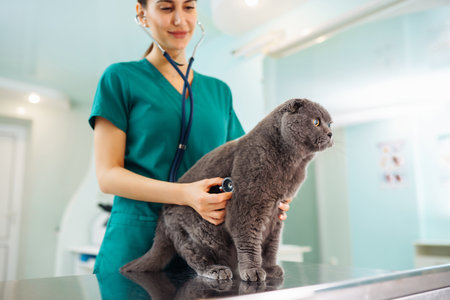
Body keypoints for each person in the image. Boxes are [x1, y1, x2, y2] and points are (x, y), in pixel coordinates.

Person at [89, 0, 291, 275]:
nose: (180, 20)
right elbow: (108, 175)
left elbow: (245, 163)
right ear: (142, 13)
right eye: (166, 7)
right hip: (137, 238)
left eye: (188, 7)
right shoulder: (120, 78)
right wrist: (185, 195)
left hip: (205, 244)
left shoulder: (219, 91)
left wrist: (268, 192)